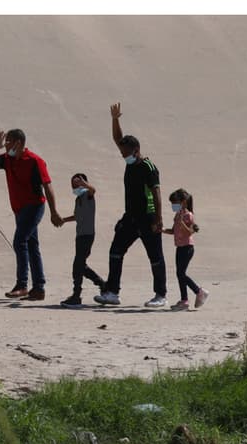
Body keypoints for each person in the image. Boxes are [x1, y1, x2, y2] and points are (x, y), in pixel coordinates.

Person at [94, 102, 166, 307]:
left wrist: (159, 219)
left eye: (126, 153)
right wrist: (115, 119)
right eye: (122, 153)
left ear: (136, 150)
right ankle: (112, 293)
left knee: (155, 256)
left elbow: (157, 193)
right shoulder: (130, 160)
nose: (123, 156)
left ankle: (160, 295)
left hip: (149, 216)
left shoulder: (148, 167)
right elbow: (117, 139)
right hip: (130, 217)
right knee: (116, 251)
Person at [0, 128, 64, 300]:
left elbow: (47, 185)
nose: (5, 145)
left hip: (34, 206)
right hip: (19, 209)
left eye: (8, 141)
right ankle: (39, 289)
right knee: (32, 246)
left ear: (18, 143)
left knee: (20, 242)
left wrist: (54, 211)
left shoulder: (35, 161)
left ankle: (22, 285)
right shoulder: (8, 159)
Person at [58, 173, 106, 307]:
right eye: (73, 184)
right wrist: (64, 220)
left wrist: (84, 184)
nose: (75, 186)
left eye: (77, 183)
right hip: (80, 236)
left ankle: (76, 295)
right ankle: (103, 284)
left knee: (77, 266)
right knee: (81, 266)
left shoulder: (87, 195)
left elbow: (93, 190)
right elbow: (77, 216)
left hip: (87, 235)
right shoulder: (78, 199)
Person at [163, 188, 208, 310]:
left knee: (181, 273)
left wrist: (182, 222)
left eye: (175, 203)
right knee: (179, 274)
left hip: (187, 248)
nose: (173, 206)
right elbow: (174, 231)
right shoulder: (178, 215)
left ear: (183, 202)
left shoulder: (188, 215)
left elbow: (190, 232)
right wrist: (162, 230)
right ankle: (184, 300)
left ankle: (199, 291)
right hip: (179, 247)